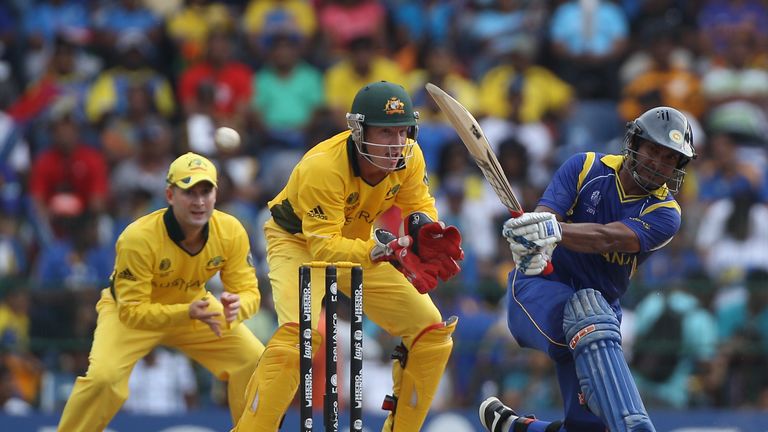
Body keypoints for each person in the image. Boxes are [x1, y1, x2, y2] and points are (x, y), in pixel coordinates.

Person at [233, 80, 464, 432]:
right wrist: (385, 250)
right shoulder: (323, 167)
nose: (396, 143)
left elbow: (418, 203)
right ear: (358, 130)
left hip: (358, 239)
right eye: (385, 132)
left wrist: (424, 230)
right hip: (298, 242)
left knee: (431, 332)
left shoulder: (410, 156)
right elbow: (324, 247)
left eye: (402, 131)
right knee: (299, 339)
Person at [479, 106, 697, 432]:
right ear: (634, 143)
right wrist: (531, 241)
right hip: (540, 291)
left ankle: (514, 427)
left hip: (600, 315)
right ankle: (637, 426)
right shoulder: (585, 167)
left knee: (590, 429)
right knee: (587, 313)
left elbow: (608, 238)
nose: (659, 164)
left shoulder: (666, 213)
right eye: (654, 150)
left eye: (669, 158)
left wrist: (553, 232)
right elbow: (545, 218)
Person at [58, 152, 265, 431]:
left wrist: (239, 306)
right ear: (170, 195)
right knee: (103, 379)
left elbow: (249, 291)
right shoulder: (138, 238)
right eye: (189, 192)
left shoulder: (230, 230)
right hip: (131, 315)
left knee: (253, 360)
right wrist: (186, 312)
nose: (199, 202)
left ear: (216, 195)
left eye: (206, 192)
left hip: (196, 309)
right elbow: (132, 312)